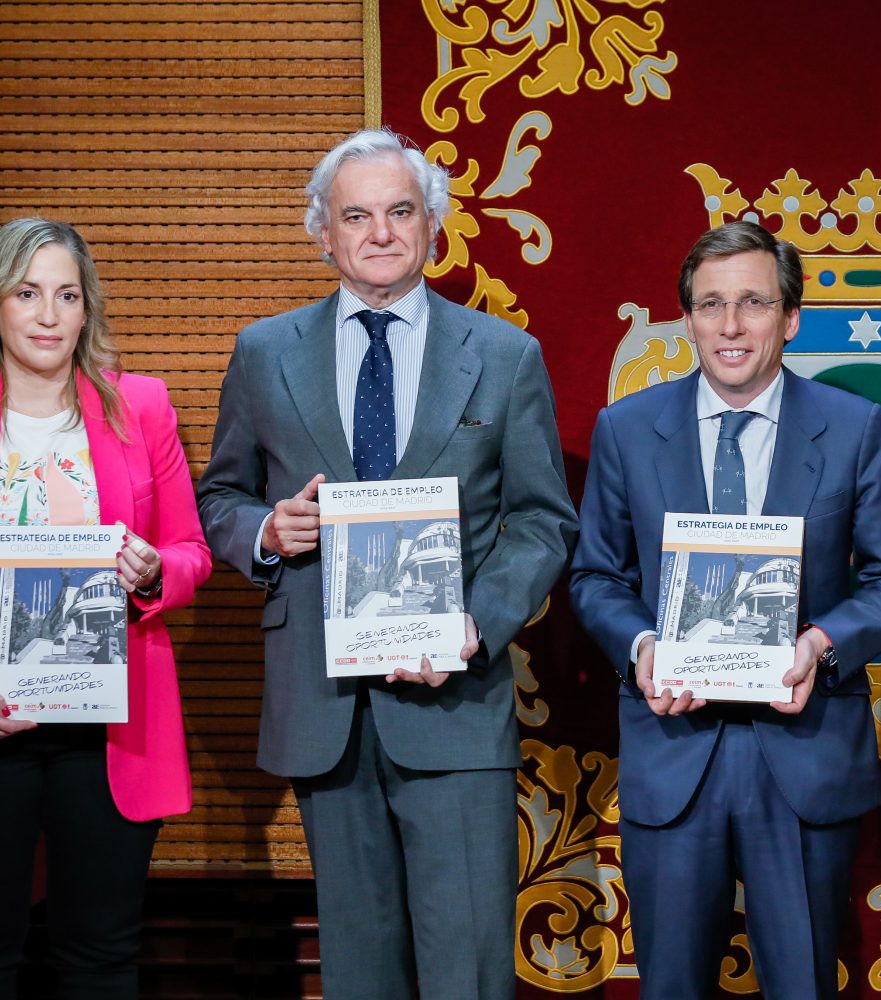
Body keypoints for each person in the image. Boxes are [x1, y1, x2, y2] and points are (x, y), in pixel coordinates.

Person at [195, 127, 577, 1000]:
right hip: (322, 707)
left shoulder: (504, 354)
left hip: (455, 696)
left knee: (468, 966)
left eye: (400, 212)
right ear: (322, 232)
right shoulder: (263, 352)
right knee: (361, 972)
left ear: (432, 228)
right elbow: (218, 499)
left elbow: (541, 521)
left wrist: (472, 626)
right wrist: (267, 531)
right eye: (355, 215)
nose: (379, 232)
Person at [569, 221, 881, 999]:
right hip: (674, 746)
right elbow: (595, 576)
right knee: (671, 987)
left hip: (803, 749)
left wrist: (824, 641)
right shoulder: (627, 432)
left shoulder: (855, 428)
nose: (731, 326)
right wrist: (641, 648)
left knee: (802, 983)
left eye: (753, 304)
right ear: (688, 319)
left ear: (790, 318)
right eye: (711, 305)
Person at [0, 218, 212, 999]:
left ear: (87, 310)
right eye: (28, 293)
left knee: (103, 959)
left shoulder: (143, 408)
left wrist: (155, 572)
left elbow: (190, 549)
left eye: (66, 295)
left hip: (108, 731)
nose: (48, 315)